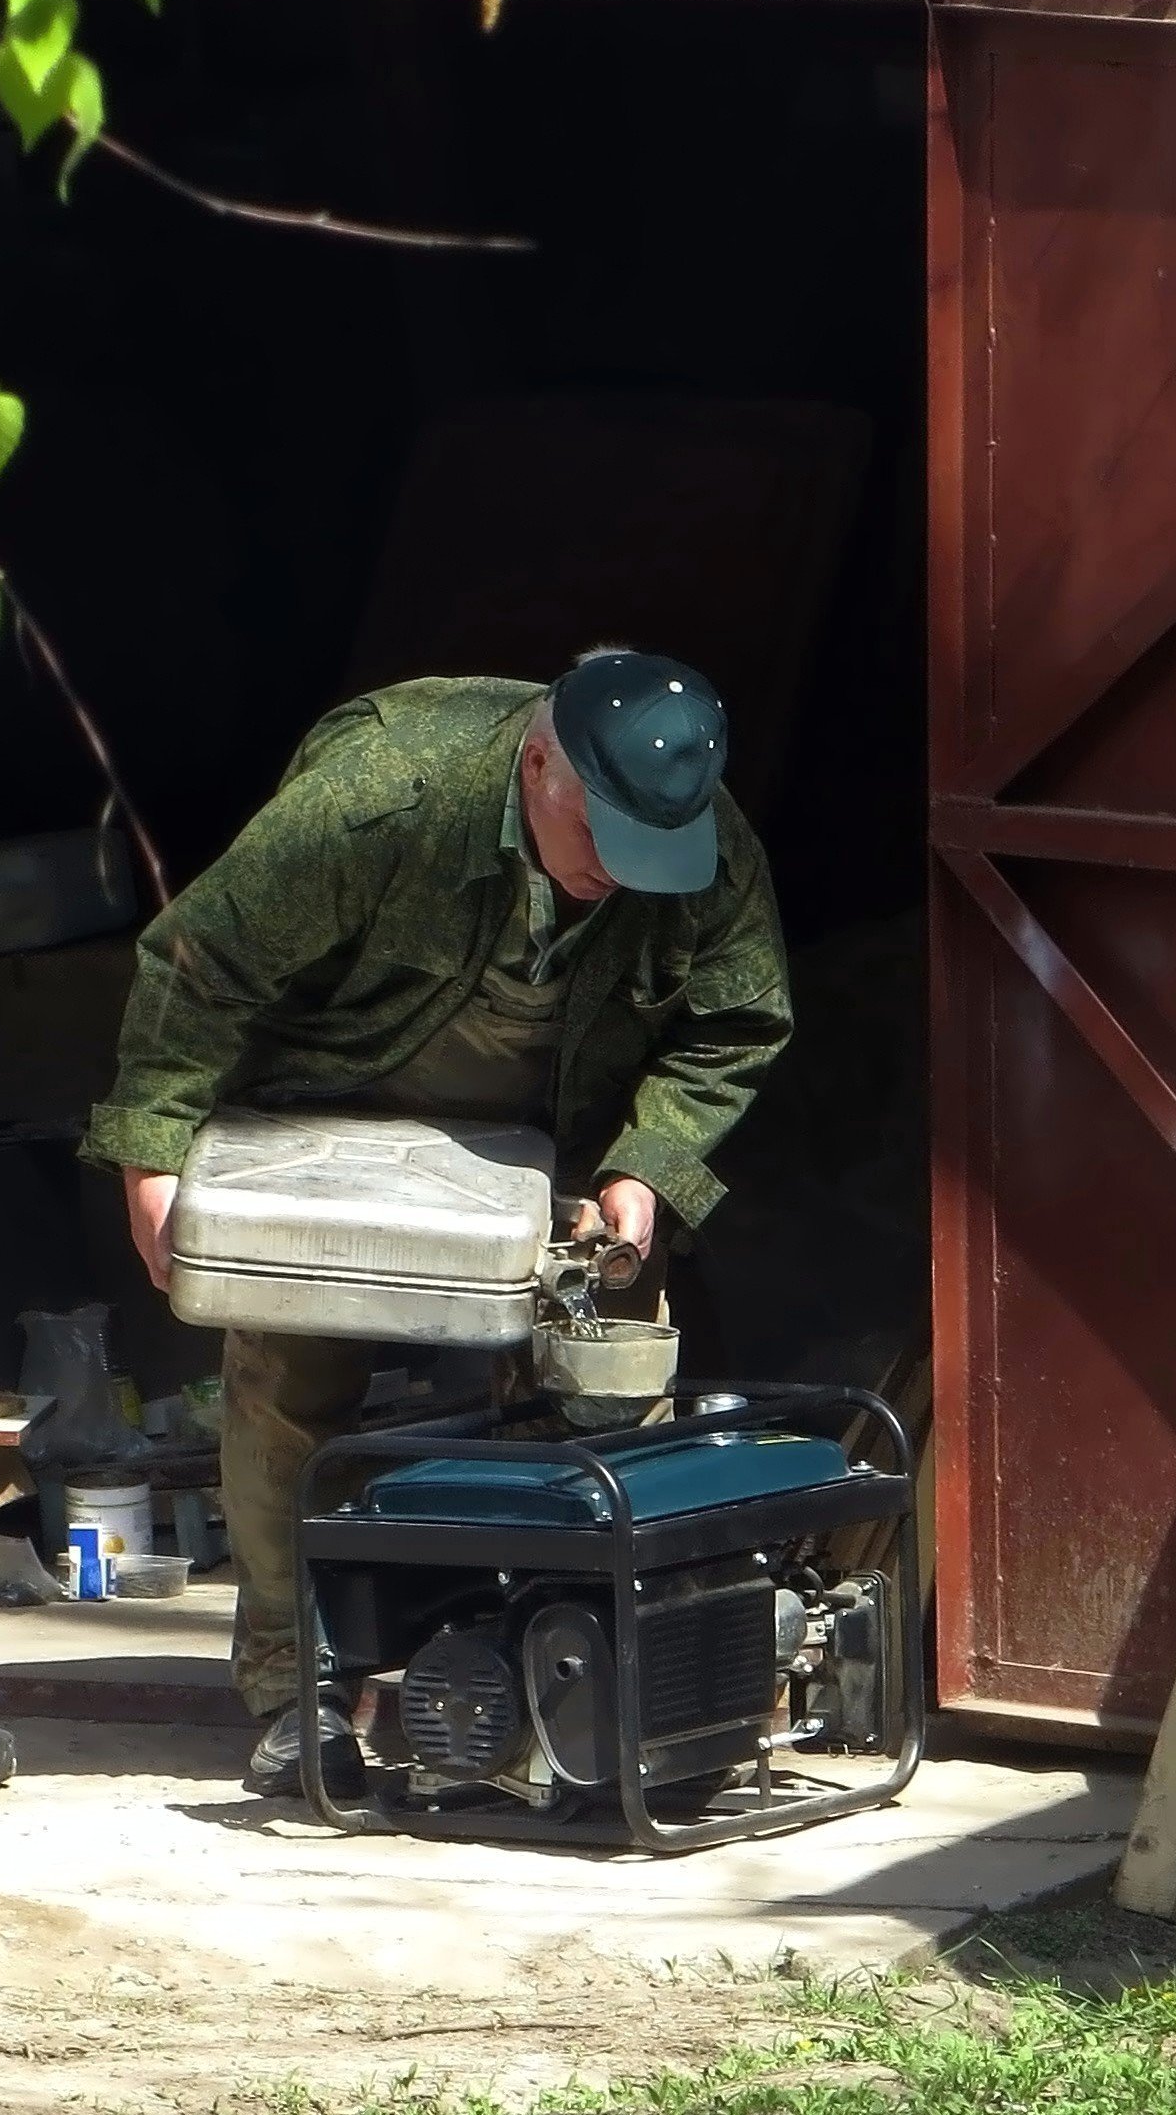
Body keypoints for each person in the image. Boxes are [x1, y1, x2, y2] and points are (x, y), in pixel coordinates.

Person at [78, 653, 791, 1796]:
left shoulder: (703, 841)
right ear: (539, 759)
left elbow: (738, 1024)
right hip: (341, 1109)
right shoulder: (378, 803)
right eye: (597, 834)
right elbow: (196, 965)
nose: (619, 871)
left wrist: (648, 1165)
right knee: (286, 1380)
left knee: (612, 1370)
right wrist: (150, 1150)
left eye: (647, 849)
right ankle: (295, 1690)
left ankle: (591, 1674)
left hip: (566, 1137)